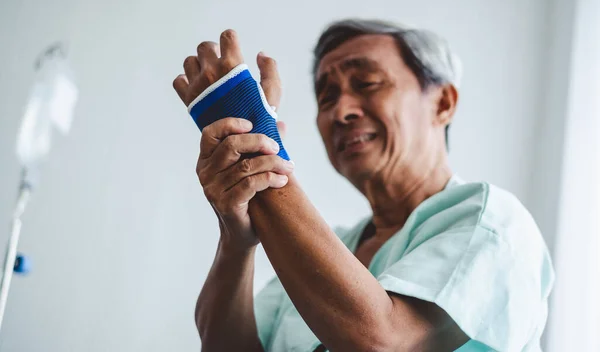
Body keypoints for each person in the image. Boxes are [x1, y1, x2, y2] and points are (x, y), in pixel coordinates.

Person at [172, 19, 555, 352]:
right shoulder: (331, 244)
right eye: (326, 97)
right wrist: (236, 241)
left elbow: (379, 342)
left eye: (367, 83)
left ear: (443, 102)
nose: (341, 111)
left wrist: (256, 145)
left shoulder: (492, 222)